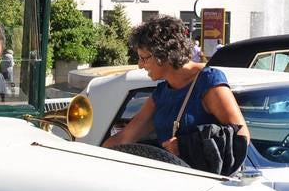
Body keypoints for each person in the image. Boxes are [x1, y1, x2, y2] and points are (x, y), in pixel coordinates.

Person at [103, 14, 249, 160]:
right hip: (174, 177)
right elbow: (125, 138)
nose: (140, 65)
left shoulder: (208, 81)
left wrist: (185, 146)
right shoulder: (161, 93)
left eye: (143, 58)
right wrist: (95, 157)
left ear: (163, 54)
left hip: (204, 180)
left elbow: (241, 136)